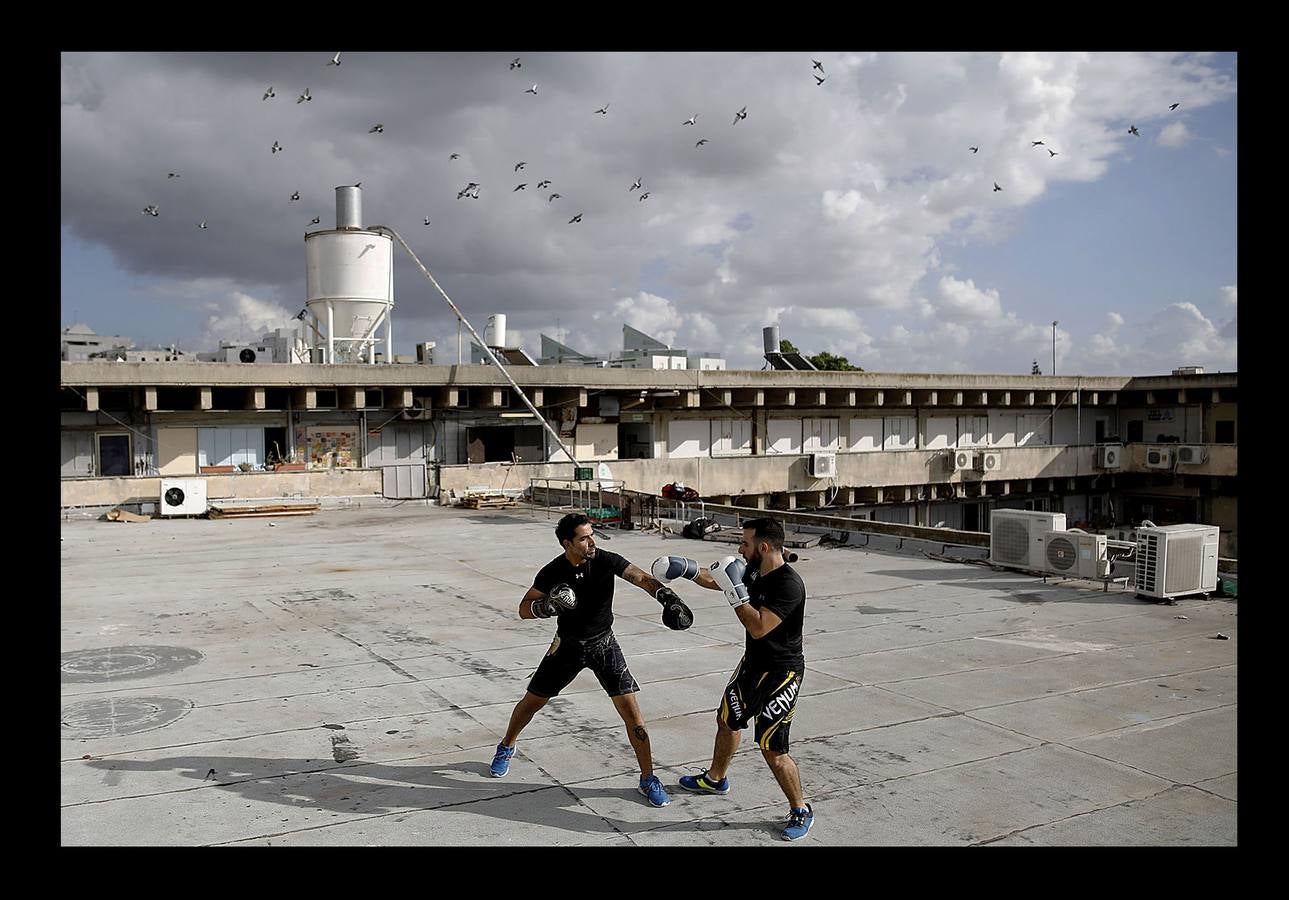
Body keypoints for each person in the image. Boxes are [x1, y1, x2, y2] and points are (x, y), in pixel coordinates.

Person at [488, 512, 694, 808]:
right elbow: (523, 609)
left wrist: (666, 596)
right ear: (567, 543)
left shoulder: (605, 560)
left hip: (604, 645)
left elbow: (639, 577)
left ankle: (648, 778)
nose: (591, 541)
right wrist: (546, 606)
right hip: (567, 647)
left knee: (633, 716)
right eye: (584, 538)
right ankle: (507, 745)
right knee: (532, 702)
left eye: (592, 534)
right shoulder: (552, 572)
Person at [651, 517, 813, 840]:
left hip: (782, 673)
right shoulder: (755, 571)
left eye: (745, 543)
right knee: (727, 720)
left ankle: (800, 809)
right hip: (752, 665)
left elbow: (758, 626)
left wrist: (737, 594)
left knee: (773, 749)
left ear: (763, 547)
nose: (740, 548)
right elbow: (720, 578)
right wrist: (685, 569)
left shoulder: (789, 585)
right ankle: (715, 778)